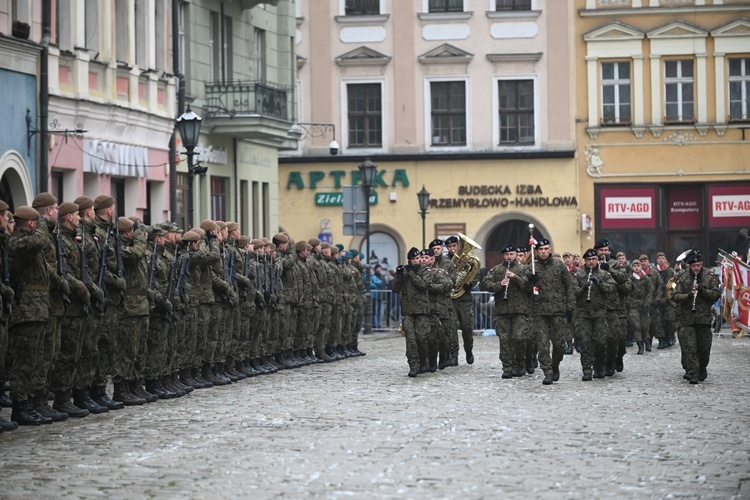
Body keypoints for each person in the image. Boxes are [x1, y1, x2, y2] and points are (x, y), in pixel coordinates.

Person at [8, 206, 53, 425]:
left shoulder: (28, 241)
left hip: (37, 309)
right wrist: (44, 222)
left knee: (35, 361)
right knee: (23, 362)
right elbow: (38, 242)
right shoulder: (16, 242)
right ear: (32, 223)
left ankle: (29, 404)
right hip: (25, 310)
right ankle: (20, 406)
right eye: (38, 222)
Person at [669, 250, 721, 384]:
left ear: (702, 264)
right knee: (690, 347)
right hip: (687, 319)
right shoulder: (683, 278)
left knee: (704, 349)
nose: (696, 268)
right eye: (694, 266)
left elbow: (716, 294)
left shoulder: (708, 278)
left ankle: (702, 368)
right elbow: (674, 295)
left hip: (703, 319)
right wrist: (688, 296)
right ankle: (693, 372)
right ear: (689, 266)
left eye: (698, 265)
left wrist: (704, 291)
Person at [529, 238, 575, 385]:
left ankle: (555, 365)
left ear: (550, 250)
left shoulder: (559, 265)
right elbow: (524, 287)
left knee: (559, 344)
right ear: (537, 251)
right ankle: (547, 372)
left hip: (557, 311)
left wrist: (570, 307)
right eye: (540, 249)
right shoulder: (532, 267)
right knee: (542, 344)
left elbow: (569, 286)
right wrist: (530, 280)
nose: (543, 252)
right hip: (539, 311)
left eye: (546, 249)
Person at [483, 244, 531, 378]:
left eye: (511, 254)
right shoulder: (497, 270)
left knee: (519, 338)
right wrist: (499, 285)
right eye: (506, 255)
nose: (509, 257)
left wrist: (516, 278)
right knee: (504, 340)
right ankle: (507, 367)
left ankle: (520, 362)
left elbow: (529, 286)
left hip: (519, 310)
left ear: (516, 254)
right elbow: (486, 283)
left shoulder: (523, 268)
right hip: (502, 310)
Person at [573, 249, 616, 380]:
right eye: (588, 260)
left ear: (597, 260)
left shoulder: (604, 274)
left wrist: (599, 283)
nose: (591, 262)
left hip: (600, 313)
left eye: (594, 259)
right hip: (583, 314)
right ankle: (587, 369)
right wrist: (582, 289)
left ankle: (599, 366)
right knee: (585, 342)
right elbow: (572, 292)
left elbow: (612, 289)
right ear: (585, 261)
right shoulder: (578, 275)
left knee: (601, 341)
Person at [392, 247, 431, 377]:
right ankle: (413, 365)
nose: (416, 261)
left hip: (421, 311)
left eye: (417, 258)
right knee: (411, 339)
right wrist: (398, 275)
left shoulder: (425, 271)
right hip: (407, 311)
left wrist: (412, 274)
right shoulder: (405, 273)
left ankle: (423, 361)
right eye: (413, 259)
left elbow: (424, 285)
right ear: (409, 260)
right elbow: (395, 289)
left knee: (422, 338)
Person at [446, 235, 478, 365]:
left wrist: (470, 283)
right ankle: (454, 355)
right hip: (451, 300)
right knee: (452, 329)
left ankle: (469, 350)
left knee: (466, 328)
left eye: (454, 246)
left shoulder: (468, 260)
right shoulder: (445, 262)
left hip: (464, 299)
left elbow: (475, 274)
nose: (452, 249)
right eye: (449, 247)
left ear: (459, 246)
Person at [627, 259, 653, 355]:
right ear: (632, 268)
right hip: (633, 306)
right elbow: (627, 293)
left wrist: (647, 303)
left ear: (641, 267)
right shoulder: (629, 279)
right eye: (635, 266)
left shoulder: (646, 279)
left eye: (638, 265)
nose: (637, 267)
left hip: (644, 305)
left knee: (645, 325)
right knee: (636, 325)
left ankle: (646, 341)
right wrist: (630, 302)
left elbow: (650, 292)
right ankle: (640, 345)